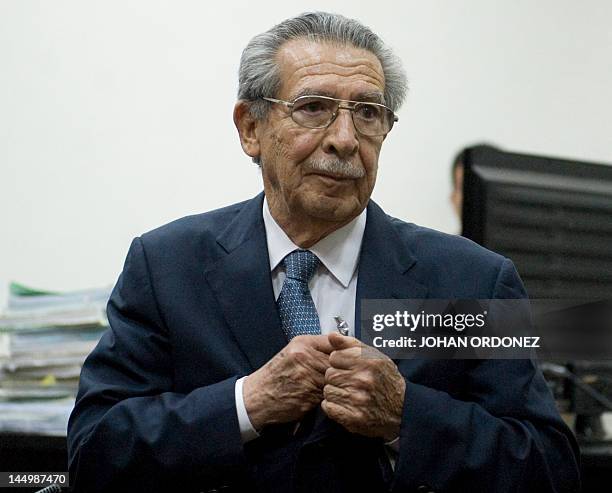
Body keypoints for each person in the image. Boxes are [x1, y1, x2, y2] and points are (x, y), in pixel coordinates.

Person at [67, 12, 580, 493]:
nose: (344, 139)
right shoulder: (167, 265)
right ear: (251, 128)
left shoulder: (471, 282)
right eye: (313, 108)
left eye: (368, 114)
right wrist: (248, 403)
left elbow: (550, 468)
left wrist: (407, 416)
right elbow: (95, 451)